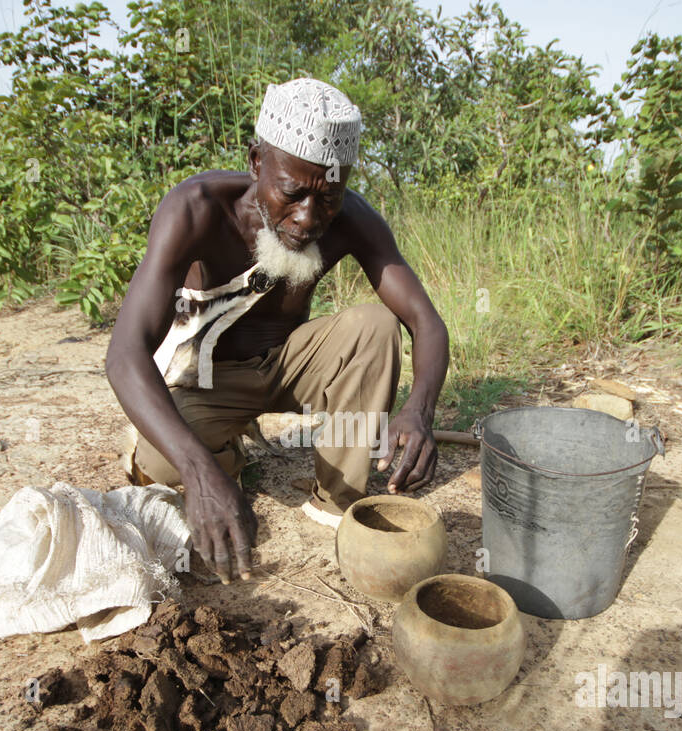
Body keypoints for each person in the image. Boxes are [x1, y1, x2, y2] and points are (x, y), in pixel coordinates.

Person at [105, 77, 450, 584]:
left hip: (287, 364)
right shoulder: (196, 208)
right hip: (208, 380)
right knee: (166, 466)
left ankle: (338, 497)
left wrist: (419, 409)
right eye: (293, 193)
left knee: (376, 324)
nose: (309, 217)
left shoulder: (350, 220)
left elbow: (425, 320)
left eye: (328, 198)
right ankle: (221, 460)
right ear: (255, 162)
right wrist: (199, 471)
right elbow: (124, 354)